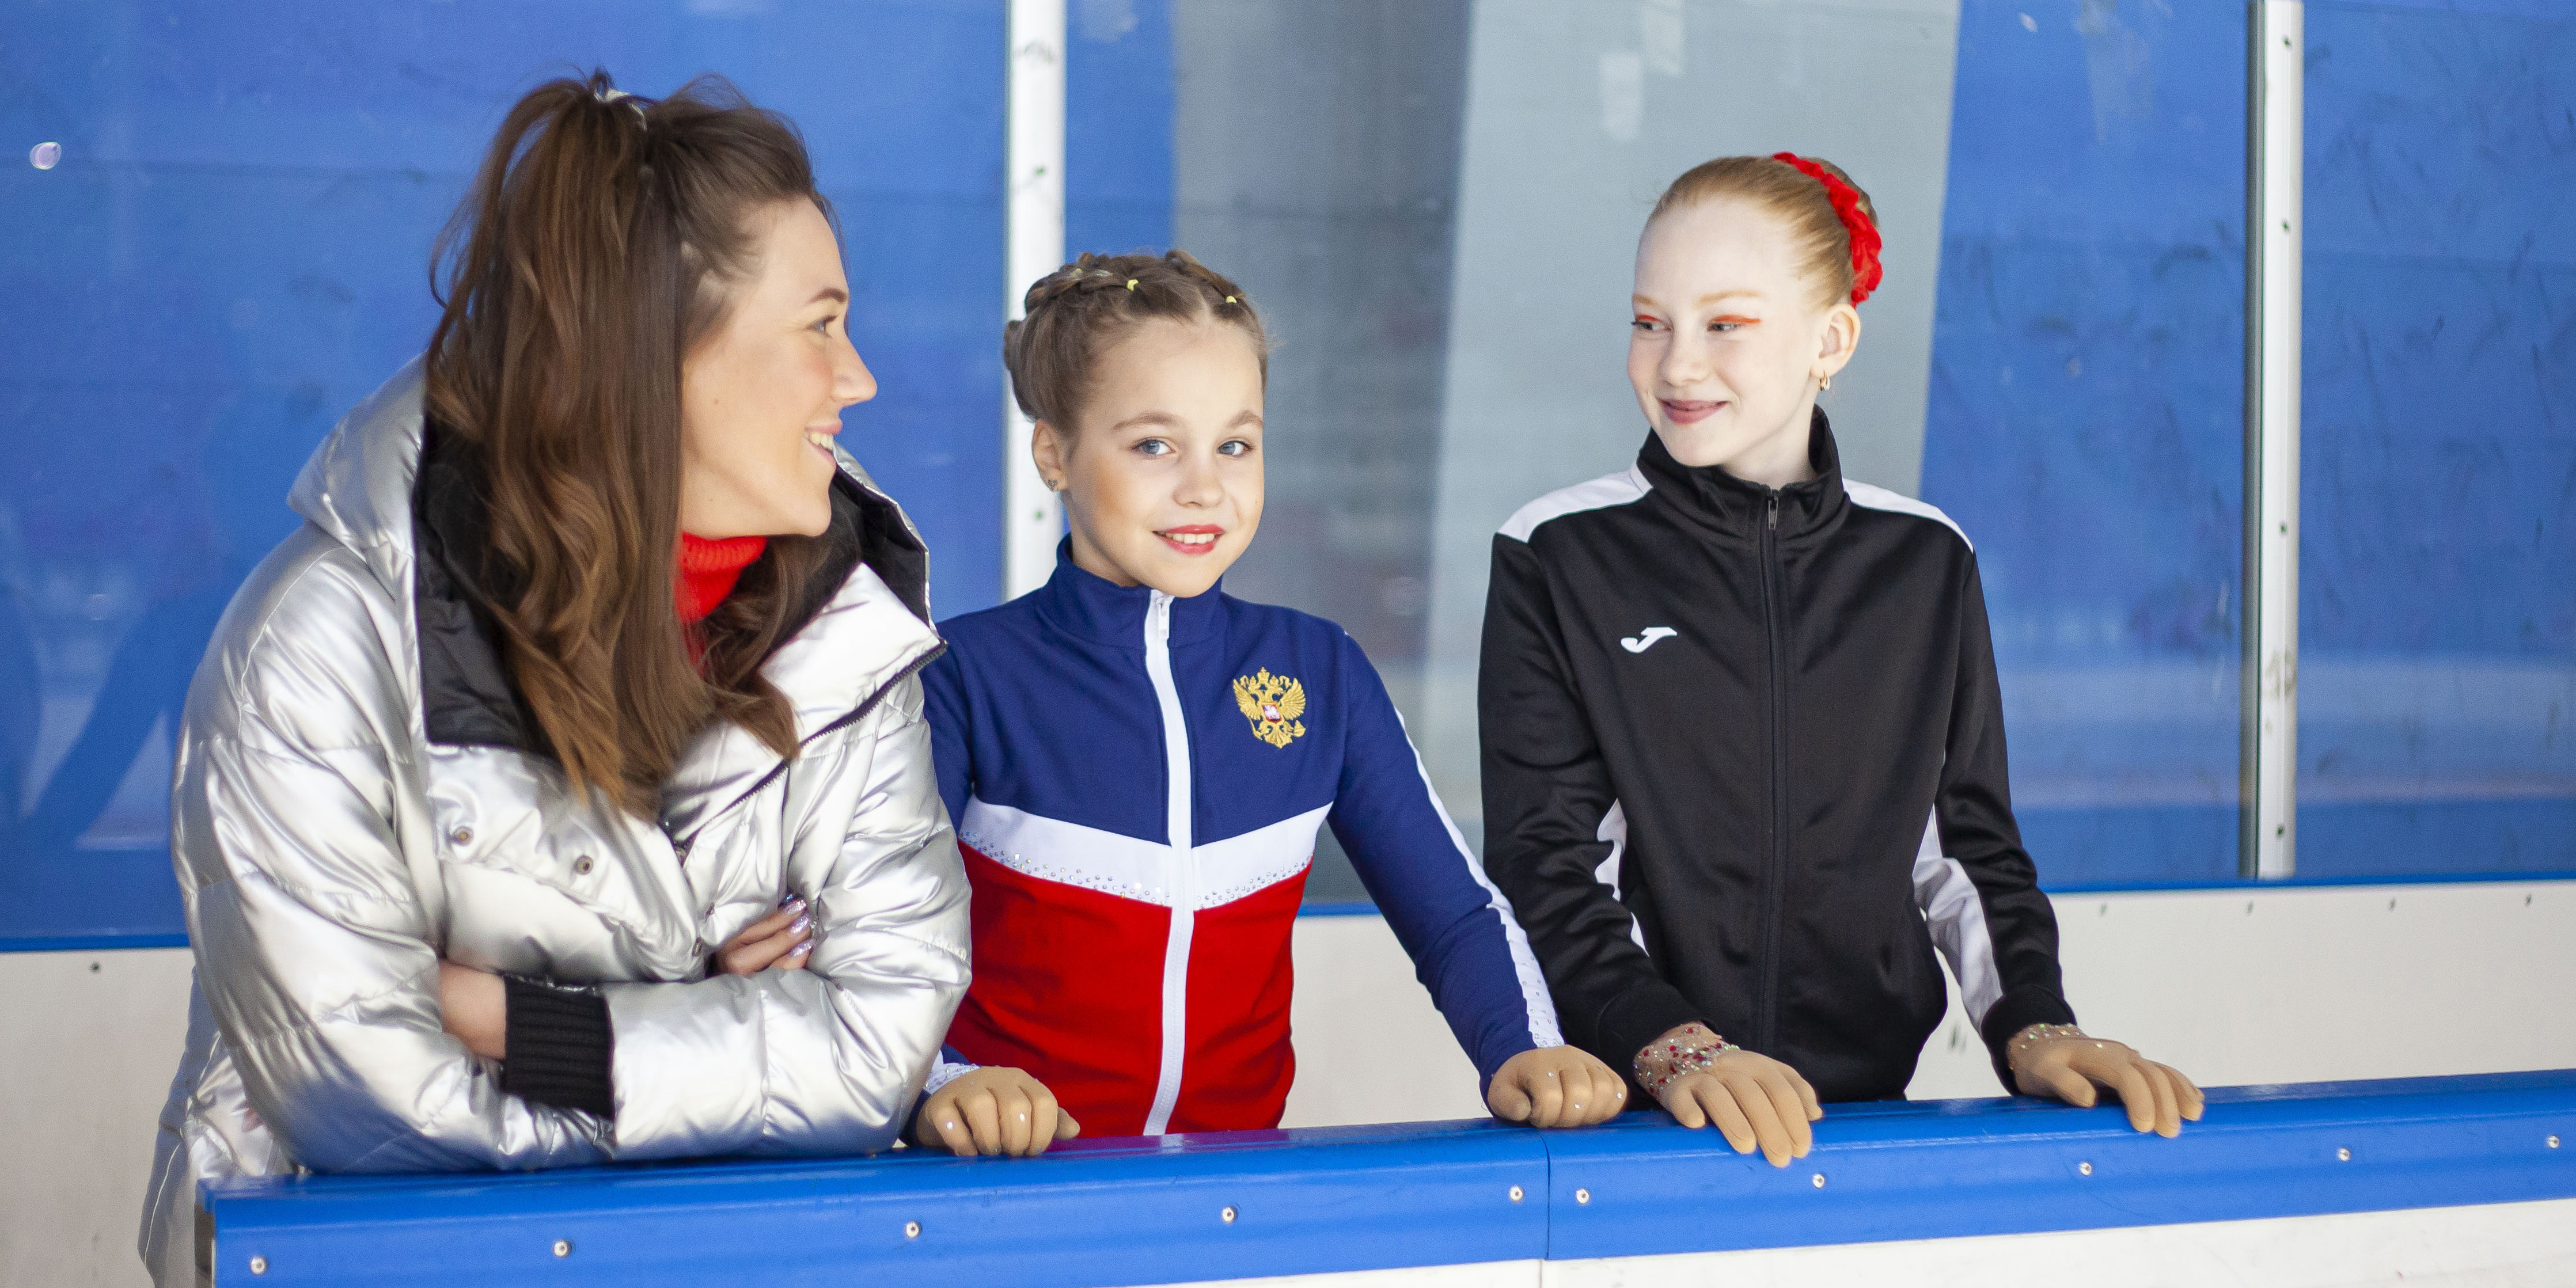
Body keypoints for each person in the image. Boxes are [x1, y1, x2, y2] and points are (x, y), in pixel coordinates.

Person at [137, 73, 1042, 1288]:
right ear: (652, 349)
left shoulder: (847, 636)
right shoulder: (325, 640)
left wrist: (508, 1014)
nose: (860, 375)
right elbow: (362, 1100)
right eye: (821, 324)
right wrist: (710, 1027)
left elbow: (876, 1043)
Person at [1478, 153, 2206, 1167]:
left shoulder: (1923, 561)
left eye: (1724, 324)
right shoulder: (1559, 552)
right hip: (1638, 1130)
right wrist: (1673, 1048)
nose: (1677, 365)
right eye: (1651, 323)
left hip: (1868, 1129)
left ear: (1831, 339)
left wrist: (2035, 1025)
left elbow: (1964, 847)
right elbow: (1546, 863)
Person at [917, 252, 1625, 1143]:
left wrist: (1523, 1048)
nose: (1204, 486)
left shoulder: (1318, 669)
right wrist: (943, 1081)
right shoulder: (960, 676)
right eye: (1152, 446)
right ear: (1053, 453)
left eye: (1235, 444)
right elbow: (876, 948)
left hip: (1239, 1198)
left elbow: (1452, 912)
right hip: (1002, 1190)